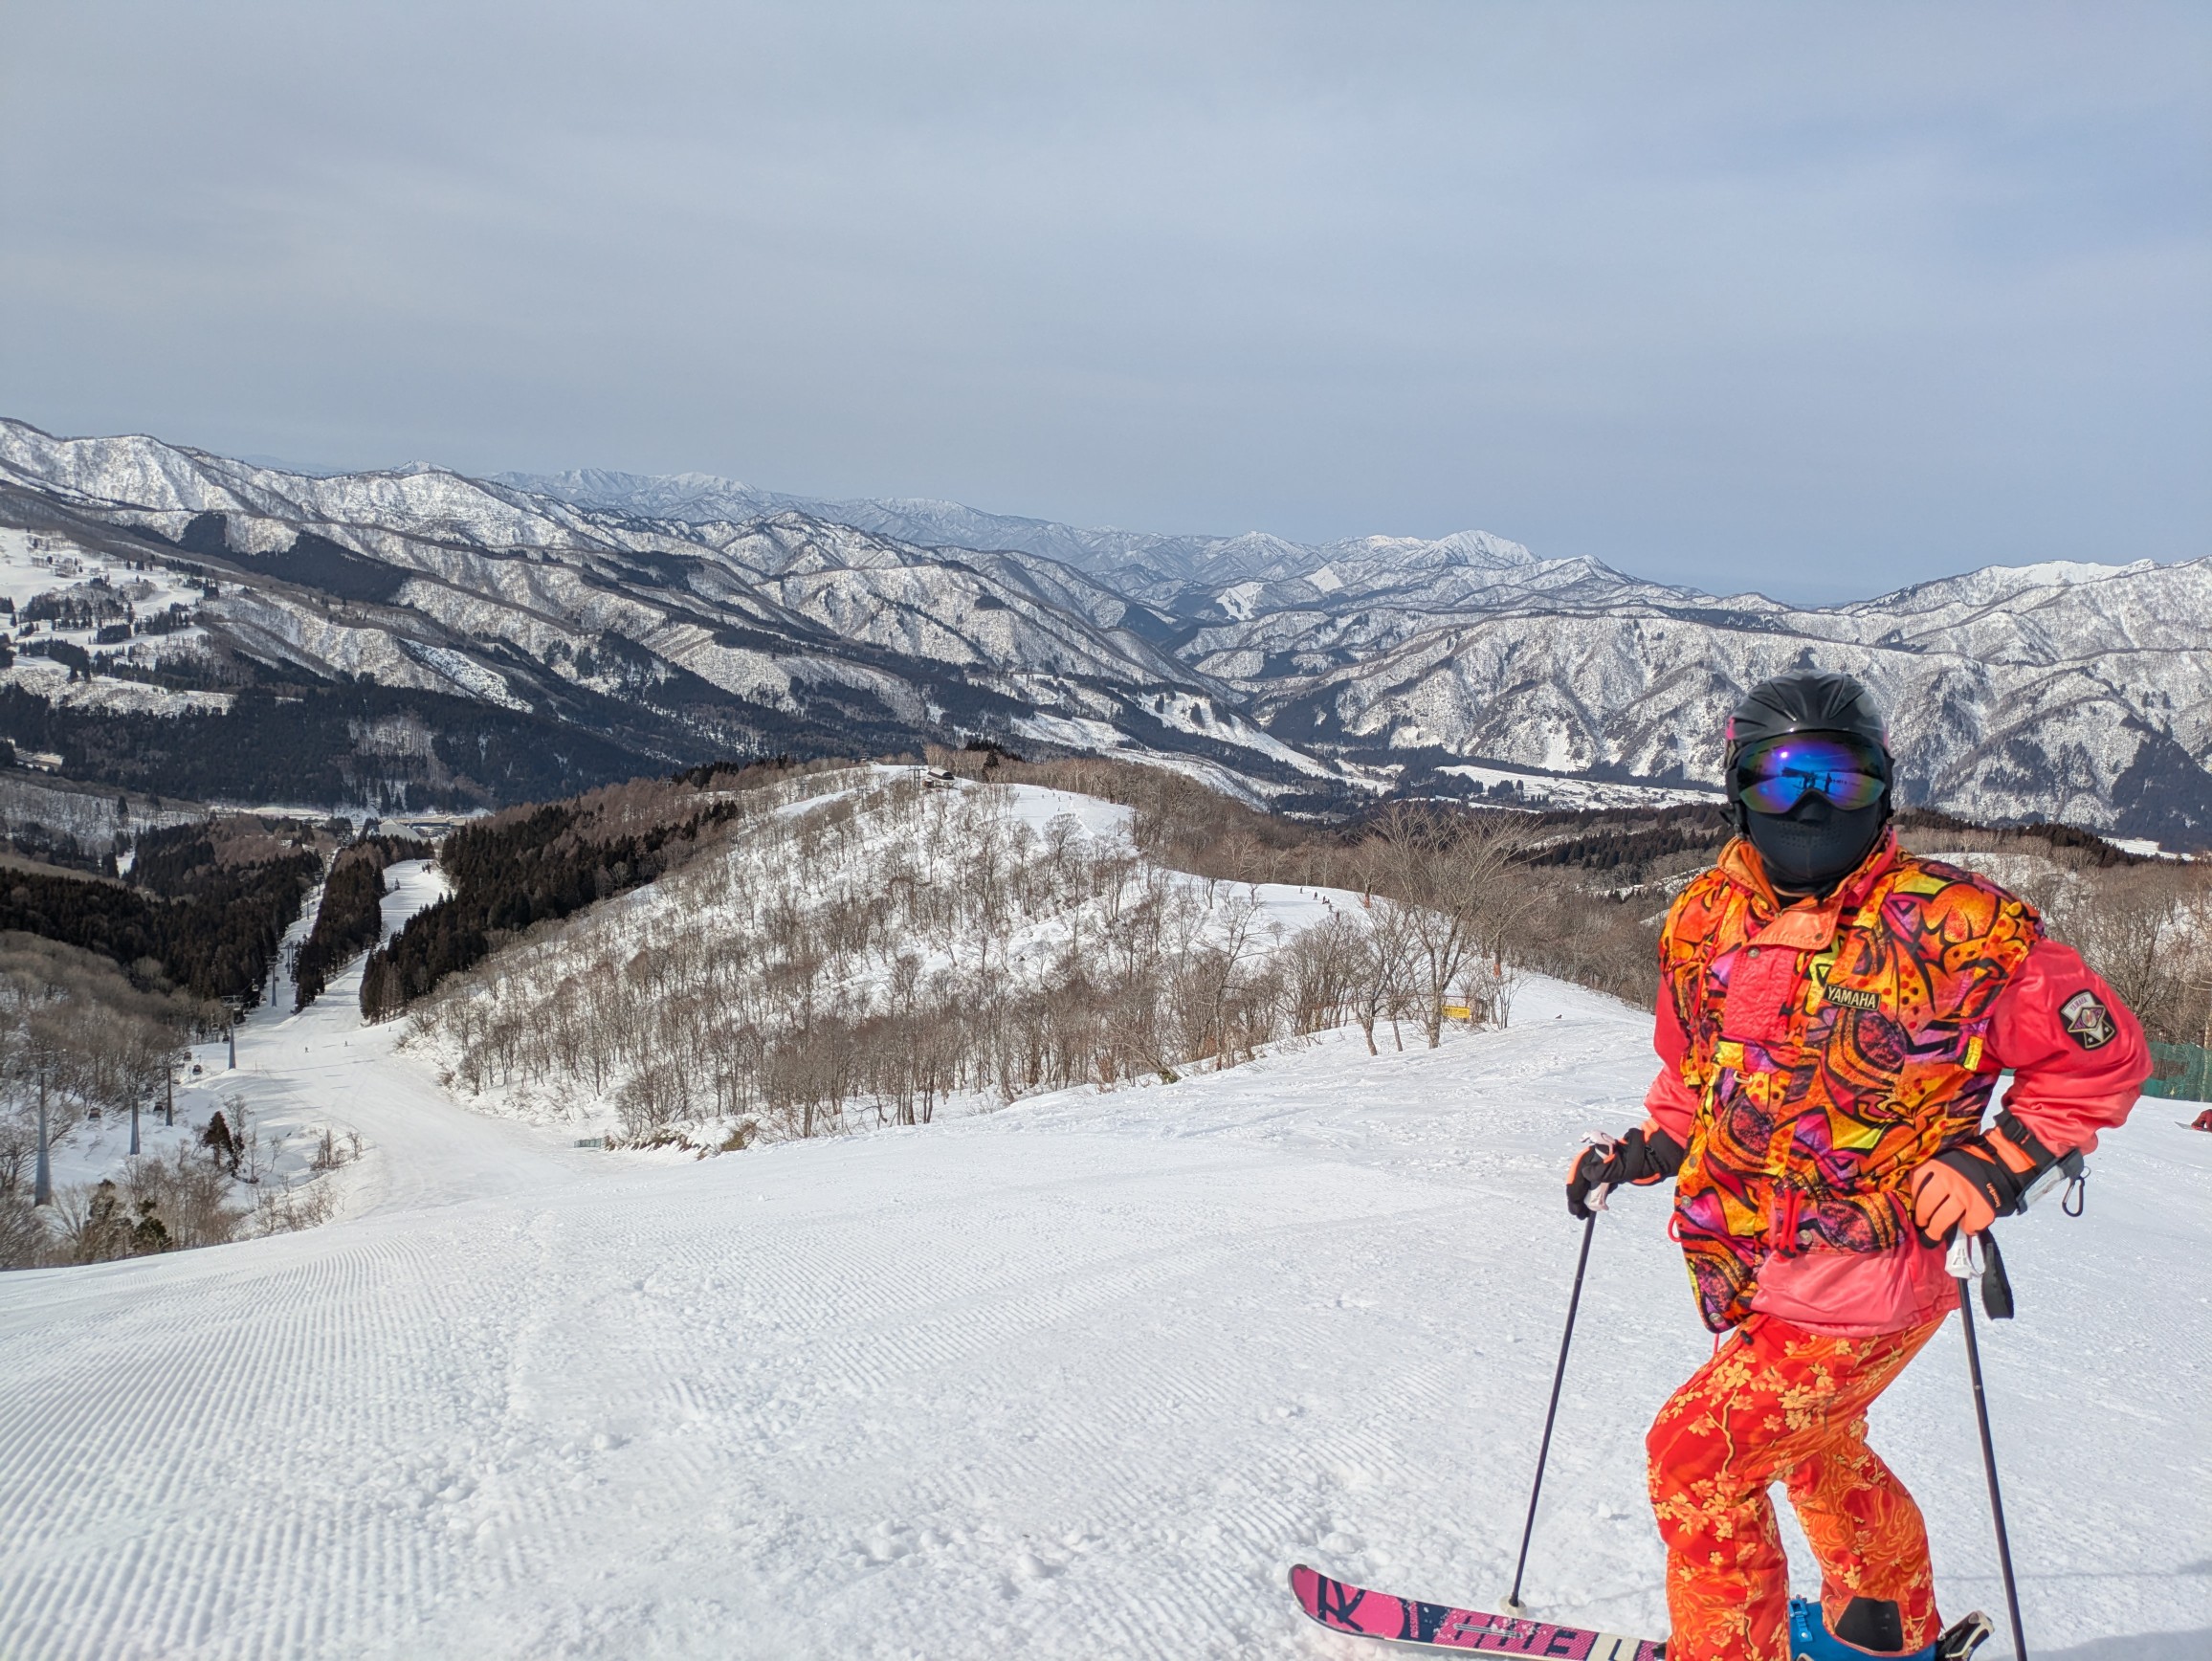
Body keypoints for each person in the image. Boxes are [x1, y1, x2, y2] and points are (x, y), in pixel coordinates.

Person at [1566, 671, 2149, 1661]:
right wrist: (1650, 1146)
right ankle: (1879, 1623)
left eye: (1835, 778)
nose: (1805, 805)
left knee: (1696, 1457)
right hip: (1743, 1256)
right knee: (1813, 1446)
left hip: (1875, 1272)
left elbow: (2099, 1062)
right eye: (1779, 776)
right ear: (1734, 787)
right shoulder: (1701, 920)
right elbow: (1696, 1068)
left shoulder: (1968, 928)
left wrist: (1998, 1160)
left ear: (1881, 788)